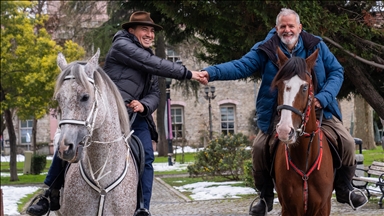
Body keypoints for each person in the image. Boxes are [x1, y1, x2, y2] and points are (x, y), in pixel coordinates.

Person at [194, 8, 367, 216]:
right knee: (258, 148)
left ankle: (345, 189)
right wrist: (211, 72)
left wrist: (323, 98)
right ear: (277, 29)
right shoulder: (265, 49)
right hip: (280, 112)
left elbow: (337, 71)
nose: (287, 30)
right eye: (283, 26)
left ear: (299, 28)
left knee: (347, 142)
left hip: (318, 110)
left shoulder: (316, 45)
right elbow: (240, 66)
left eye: (291, 26)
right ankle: (265, 197)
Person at [27, 11, 202, 216]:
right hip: (110, 115)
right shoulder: (122, 45)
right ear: (131, 30)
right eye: (144, 29)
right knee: (69, 139)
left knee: (146, 156)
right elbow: (150, 63)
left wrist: (144, 105)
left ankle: (142, 206)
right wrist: (188, 73)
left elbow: (155, 93)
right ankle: (49, 193)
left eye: (152, 30)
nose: (150, 34)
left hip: (136, 118)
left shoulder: (150, 57)